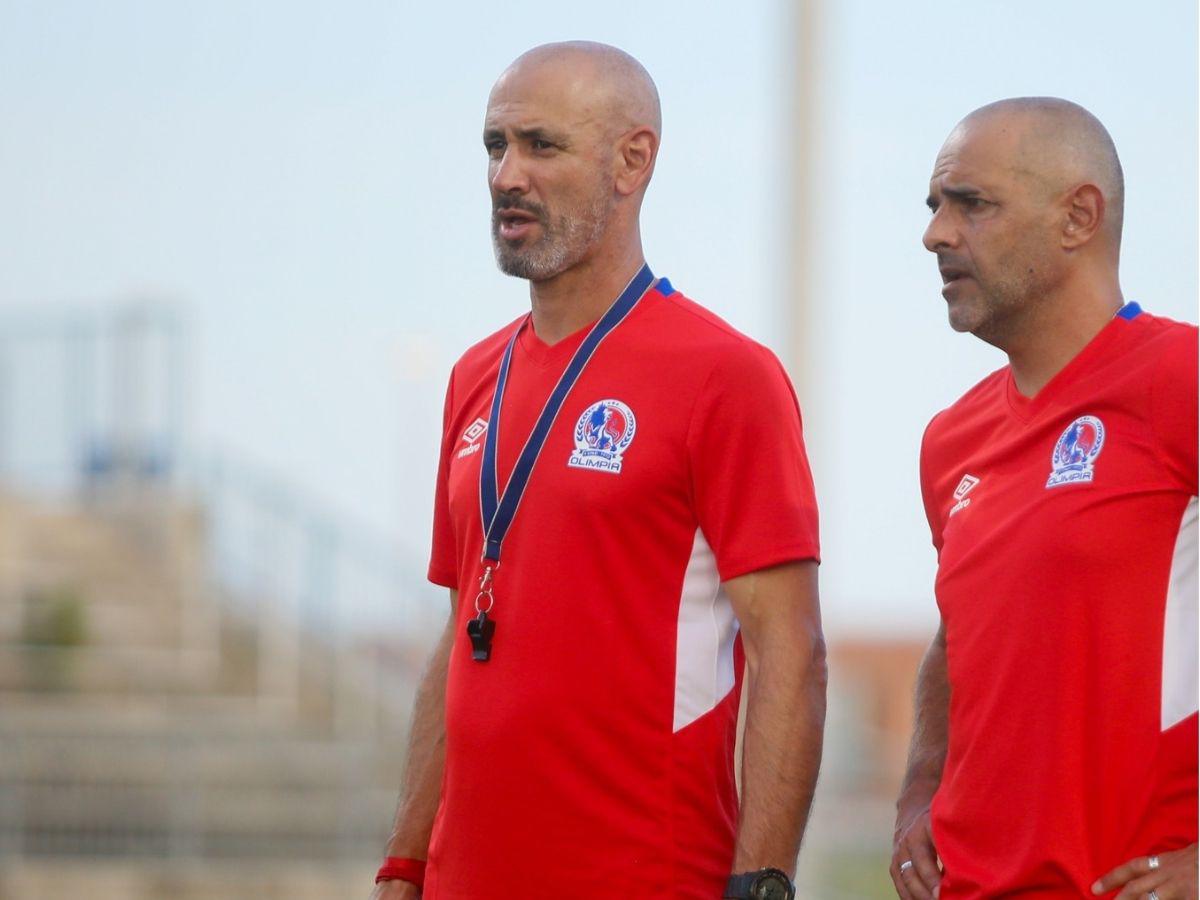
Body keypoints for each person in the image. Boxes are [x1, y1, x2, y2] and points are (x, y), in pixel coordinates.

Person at [371, 42, 827, 900]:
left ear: (632, 160)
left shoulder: (725, 376)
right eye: (494, 146)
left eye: (542, 146)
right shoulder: (475, 377)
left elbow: (789, 649)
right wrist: (403, 863)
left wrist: (762, 881)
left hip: (645, 877)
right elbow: (463, 629)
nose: (508, 175)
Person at [893, 97, 1198, 900]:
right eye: (935, 207)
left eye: (972, 204)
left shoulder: (1179, 380)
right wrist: (918, 788)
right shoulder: (950, 440)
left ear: (1078, 217)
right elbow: (959, 635)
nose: (936, 234)